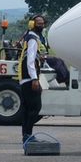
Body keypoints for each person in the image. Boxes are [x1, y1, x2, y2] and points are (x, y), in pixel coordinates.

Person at [18, 15, 46, 143]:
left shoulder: (28, 36)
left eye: (42, 23)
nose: (41, 25)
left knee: (27, 109)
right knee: (36, 108)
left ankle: (26, 136)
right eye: (39, 23)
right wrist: (34, 79)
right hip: (30, 79)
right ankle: (28, 135)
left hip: (24, 78)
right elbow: (30, 60)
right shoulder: (33, 39)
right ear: (32, 24)